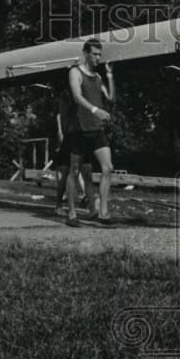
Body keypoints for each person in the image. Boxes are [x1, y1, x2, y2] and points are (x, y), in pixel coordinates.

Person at [68, 40, 116, 227]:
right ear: (86, 53)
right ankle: (71, 214)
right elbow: (77, 97)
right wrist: (96, 110)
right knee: (74, 171)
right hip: (79, 129)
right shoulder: (75, 72)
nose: (98, 57)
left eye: (99, 54)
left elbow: (110, 97)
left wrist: (110, 75)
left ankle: (103, 212)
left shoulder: (97, 76)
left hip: (97, 130)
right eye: (95, 54)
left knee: (107, 168)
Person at [52, 76, 88, 216]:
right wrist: (61, 134)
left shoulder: (69, 96)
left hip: (72, 135)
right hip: (70, 136)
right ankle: (62, 205)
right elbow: (61, 117)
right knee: (69, 172)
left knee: (68, 172)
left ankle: (61, 205)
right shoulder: (67, 97)